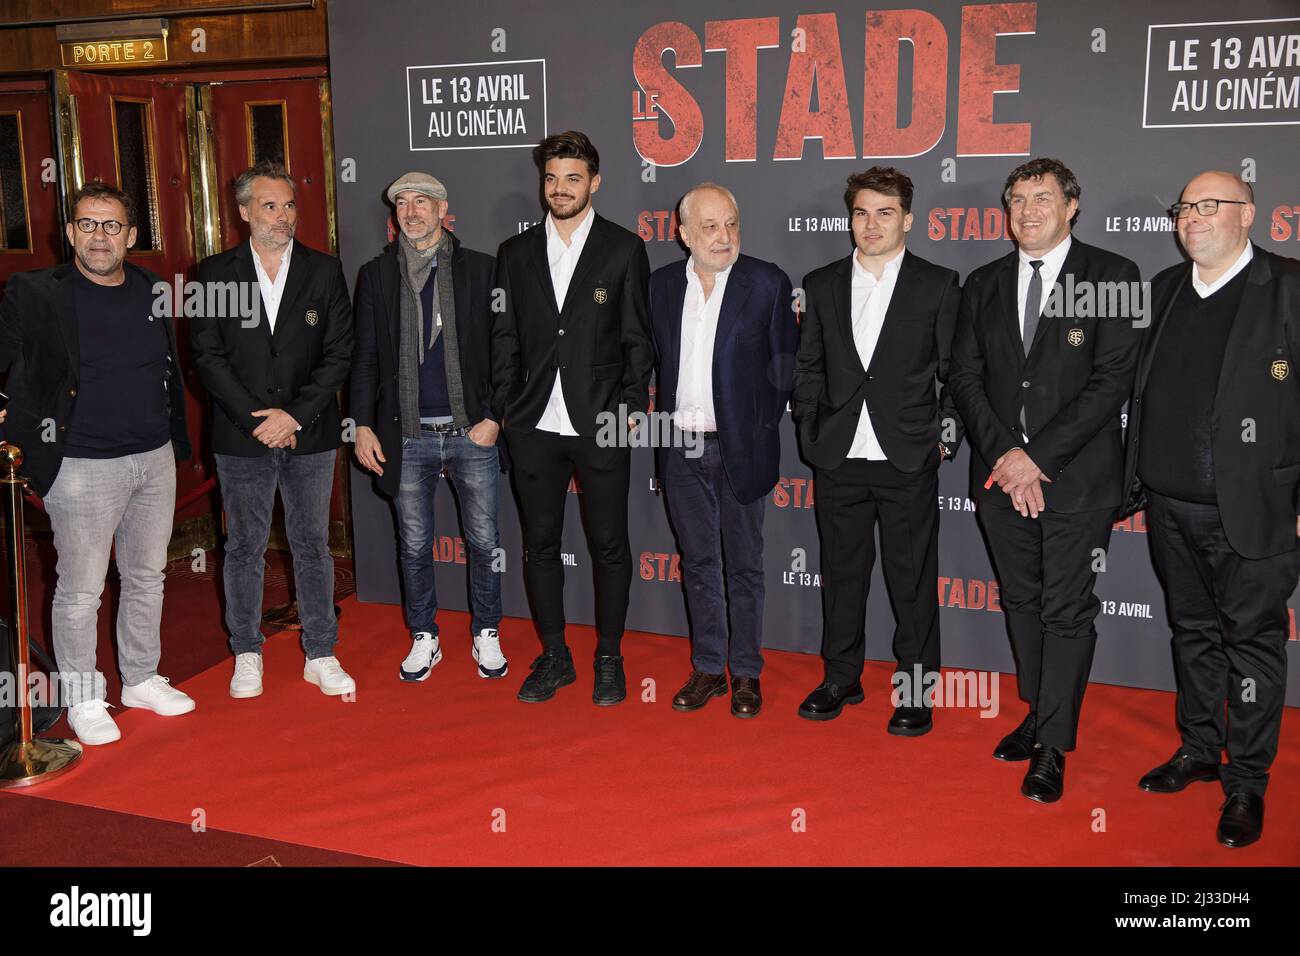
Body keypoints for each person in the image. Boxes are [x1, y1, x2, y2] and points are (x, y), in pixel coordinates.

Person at [948, 157, 1140, 802]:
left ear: (1072, 205)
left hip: (1076, 479)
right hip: (1001, 476)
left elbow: (1111, 380)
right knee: (1023, 601)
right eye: (1017, 200)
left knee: (1065, 609)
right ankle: (1038, 713)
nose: (1027, 211)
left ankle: (1053, 745)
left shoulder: (1113, 275)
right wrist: (1007, 454)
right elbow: (966, 379)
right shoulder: (982, 282)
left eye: (1042, 198)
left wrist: (1039, 458)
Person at [1123, 170, 1300, 847]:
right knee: (1192, 631)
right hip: (1169, 506)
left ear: (1249, 214)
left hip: (1256, 511)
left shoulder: (1287, 288)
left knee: (1251, 648)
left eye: (1209, 205)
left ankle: (1247, 782)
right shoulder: (1165, 290)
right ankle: (1199, 748)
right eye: (1184, 207)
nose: (1192, 218)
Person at [0, 182, 193, 744]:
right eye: (88, 224)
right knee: (81, 589)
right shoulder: (35, 291)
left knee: (146, 577)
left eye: (111, 225)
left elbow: (166, 370)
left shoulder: (153, 287)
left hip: (153, 457)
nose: (100, 236)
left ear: (131, 236)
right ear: (70, 233)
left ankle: (140, 678)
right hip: (80, 463)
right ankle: (84, 695)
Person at [791, 167, 963, 734]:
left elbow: (956, 376)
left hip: (907, 455)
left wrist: (941, 441)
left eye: (884, 213)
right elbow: (808, 368)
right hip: (838, 455)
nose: (871, 224)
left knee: (911, 579)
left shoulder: (937, 284)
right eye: (861, 212)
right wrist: (811, 435)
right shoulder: (820, 284)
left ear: (907, 220)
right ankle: (841, 676)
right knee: (842, 574)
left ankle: (916, 687)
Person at [490, 131, 653, 705]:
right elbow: (504, 338)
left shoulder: (623, 248)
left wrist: (631, 408)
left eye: (573, 178)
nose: (560, 189)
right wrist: (508, 409)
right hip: (533, 423)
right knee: (539, 544)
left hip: (601, 420)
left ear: (595, 182)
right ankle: (555, 655)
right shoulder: (515, 253)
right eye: (552, 178)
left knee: (609, 544)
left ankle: (609, 655)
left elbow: (639, 338)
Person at [191, 161, 354, 699]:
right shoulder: (213, 273)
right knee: (243, 547)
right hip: (242, 439)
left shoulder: (324, 270)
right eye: (269, 206)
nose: (282, 216)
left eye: (288, 205)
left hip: (309, 434)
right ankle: (246, 651)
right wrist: (257, 421)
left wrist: (295, 416)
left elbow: (338, 354)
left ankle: (321, 651)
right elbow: (207, 358)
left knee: (312, 545)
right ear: (243, 212)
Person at [350, 171, 506, 682]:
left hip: (472, 431)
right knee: (414, 544)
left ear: (444, 209)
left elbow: (510, 350)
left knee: (484, 543)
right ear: (394, 217)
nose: (412, 211)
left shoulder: (482, 271)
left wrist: (496, 416)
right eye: (403, 204)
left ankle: (487, 632)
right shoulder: (376, 277)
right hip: (407, 434)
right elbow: (365, 358)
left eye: (423, 202)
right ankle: (425, 636)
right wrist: (362, 426)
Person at [648, 183, 795, 718]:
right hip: (680, 448)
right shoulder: (661, 286)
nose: (724, 236)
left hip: (741, 449)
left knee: (746, 564)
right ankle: (710, 668)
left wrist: (754, 428)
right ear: (683, 233)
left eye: (731, 223)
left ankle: (747, 673)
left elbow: (784, 369)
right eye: (710, 226)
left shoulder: (767, 282)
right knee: (700, 562)